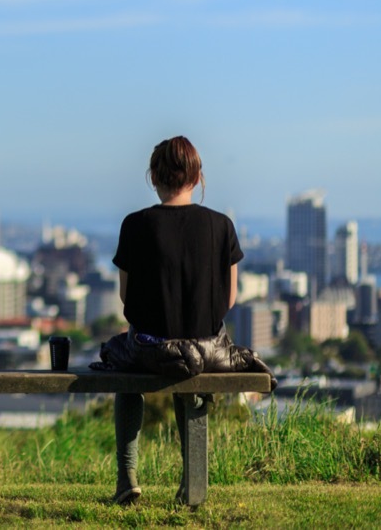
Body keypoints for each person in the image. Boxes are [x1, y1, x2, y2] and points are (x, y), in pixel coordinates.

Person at [108, 136, 243, 506]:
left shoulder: (134, 225)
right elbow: (228, 300)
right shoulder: (221, 225)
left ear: (154, 177)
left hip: (149, 351)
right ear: (198, 178)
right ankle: (191, 482)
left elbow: (126, 298)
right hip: (205, 350)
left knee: (121, 360)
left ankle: (127, 477)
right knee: (193, 366)